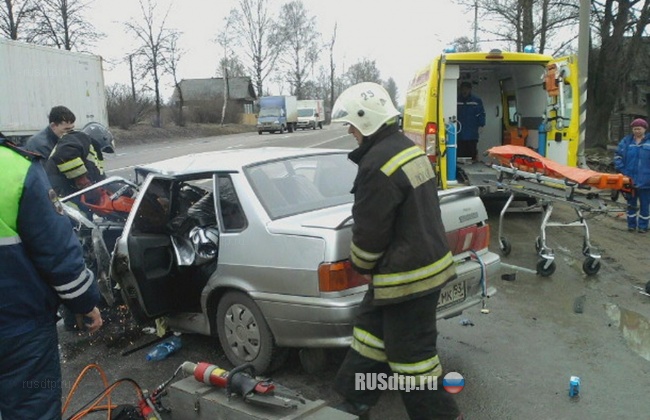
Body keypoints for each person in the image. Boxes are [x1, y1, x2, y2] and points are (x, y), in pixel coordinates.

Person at [330, 82, 462, 420]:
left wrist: (360, 263)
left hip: (407, 281)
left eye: (353, 125)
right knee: (370, 339)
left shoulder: (377, 165)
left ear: (367, 120)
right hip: (415, 272)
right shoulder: (408, 149)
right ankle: (352, 405)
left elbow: (370, 234)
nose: (350, 131)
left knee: (412, 363)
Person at [0, 136, 102, 419]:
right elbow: (58, 255)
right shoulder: (14, 168)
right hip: (18, 331)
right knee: (33, 402)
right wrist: (85, 304)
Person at [614, 118, 650, 233]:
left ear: (645, 129)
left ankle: (643, 227)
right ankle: (631, 225)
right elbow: (617, 156)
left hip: (646, 181)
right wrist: (622, 170)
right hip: (629, 181)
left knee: (645, 206)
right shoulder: (626, 141)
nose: (637, 131)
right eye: (635, 129)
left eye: (639, 129)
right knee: (631, 205)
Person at [456, 81, 485, 161]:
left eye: (467, 89)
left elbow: (481, 114)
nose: (465, 91)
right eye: (463, 89)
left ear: (470, 90)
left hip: (472, 134)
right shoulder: (455, 100)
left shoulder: (476, 101)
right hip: (459, 134)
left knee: (471, 154)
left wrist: (481, 125)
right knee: (459, 154)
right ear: (460, 89)